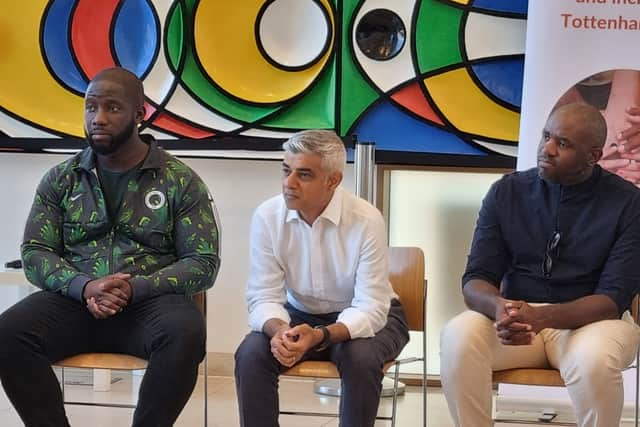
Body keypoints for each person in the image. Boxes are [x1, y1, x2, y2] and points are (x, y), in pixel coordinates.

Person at [0, 67, 220, 427]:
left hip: (150, 305)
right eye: (91, 107)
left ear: (139, 114)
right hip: (75, 301)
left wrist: (136, 287)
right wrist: (84, 286)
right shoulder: (61, 178)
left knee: (186, 333)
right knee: (8, 333)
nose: (98, 118)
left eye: (113, 108)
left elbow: (203, 262)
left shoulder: (180, 180)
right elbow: (35, 252)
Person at [440, 103, 640, 427]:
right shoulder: (507, 191)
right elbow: (476, 278)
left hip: (592, 324)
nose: (546, 149)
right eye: (546, 136)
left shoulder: (629, 203)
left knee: (594, 361)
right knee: (458, 336)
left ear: (594, 156)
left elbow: (611, 300)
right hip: (519, 326)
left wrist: (541, 317)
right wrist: (500, 308)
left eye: (563, 143)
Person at [234, 130, 409, 427]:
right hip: (299, 315)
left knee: (361, 358)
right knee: (251, 353)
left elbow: (370, 309)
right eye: (286, 170)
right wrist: (278, 331)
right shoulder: (267, 216)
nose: (289, 183)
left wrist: (320, 336)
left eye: (304, 175)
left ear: (333, 181)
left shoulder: (366, 220)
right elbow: (263, 295)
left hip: (370, 315)